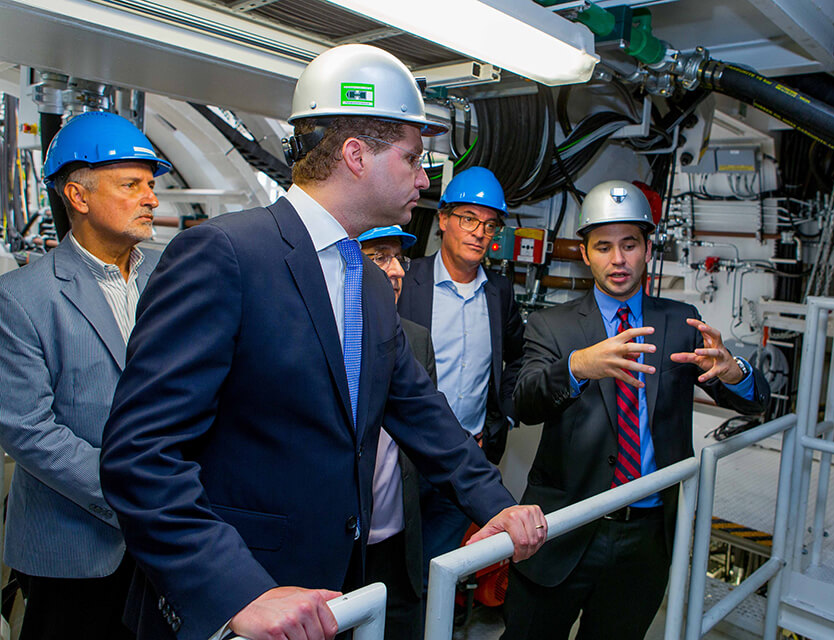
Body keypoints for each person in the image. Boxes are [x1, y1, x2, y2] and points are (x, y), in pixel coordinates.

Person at [99, 44, 547, 640]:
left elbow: (415, 406)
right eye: (413, 158)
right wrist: (238, 591)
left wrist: (495, 502)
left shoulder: (363, 277)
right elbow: (140, 455)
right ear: (356, 156)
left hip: (332, 590)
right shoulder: (225, 255)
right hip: (245, 597)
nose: (423, 177)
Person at [501, 180, 770, 640]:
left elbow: (755, 400)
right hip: (565, 527)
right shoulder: (553, 325)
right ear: (585, 254)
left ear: (647, 249)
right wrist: (578, 365)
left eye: (629, 244)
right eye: (603, 247)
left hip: (645, 538)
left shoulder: (678, 322)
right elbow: (523, 402)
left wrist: (734, 370)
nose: (618, 259)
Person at [0, 111, 170, 640]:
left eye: (151, 184)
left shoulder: (174, 276)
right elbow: (27, 427)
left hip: (169, 538)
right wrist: (134, 490)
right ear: (78, 196)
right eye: (131, 185)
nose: (152, 198)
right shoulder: (23, 298)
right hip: (73, 549)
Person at [396, 166, 524, 588]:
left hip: (467, 459)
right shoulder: (405, 281)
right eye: (468, 219)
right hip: (405, 459)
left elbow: (518, 356)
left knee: (439, 574)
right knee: (395, 570)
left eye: (489, 224)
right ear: (444, 219)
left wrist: (499, 418)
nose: (479, 232)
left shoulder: (499, 292)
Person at [357, 225, 433, 640]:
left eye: (398, 258)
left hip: (399, 541)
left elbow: (426, 432)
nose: (397, 271)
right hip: (343, 542)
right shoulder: (323, 336)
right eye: (379, 258)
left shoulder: (417, 340)